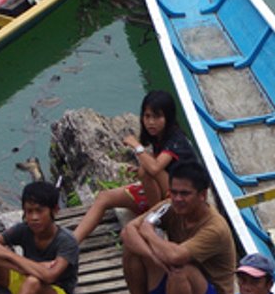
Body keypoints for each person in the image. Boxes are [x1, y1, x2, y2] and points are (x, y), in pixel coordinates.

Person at [112, 160, 235, 294]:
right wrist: (152, 257)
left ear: (202, 195)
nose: (177, 199)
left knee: (180, 267)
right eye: (174, 192)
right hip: (178, 290)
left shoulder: (215, 227)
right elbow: (128, 231)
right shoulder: (169, 207)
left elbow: (176, 256)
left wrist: (148, 233)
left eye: (185, 194)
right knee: (132, 249)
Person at [72, 89, 197, 244]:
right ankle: (71, 242)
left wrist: (137, 146)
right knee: (104, 197)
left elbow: (155, 169)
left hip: (178, 197)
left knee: (147, 170)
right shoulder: (159, 137)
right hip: (162, 191)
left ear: (168, 117)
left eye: (157, 117)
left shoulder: (176, 140)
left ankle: (156, 219)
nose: (151, 122)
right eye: (147, 116)